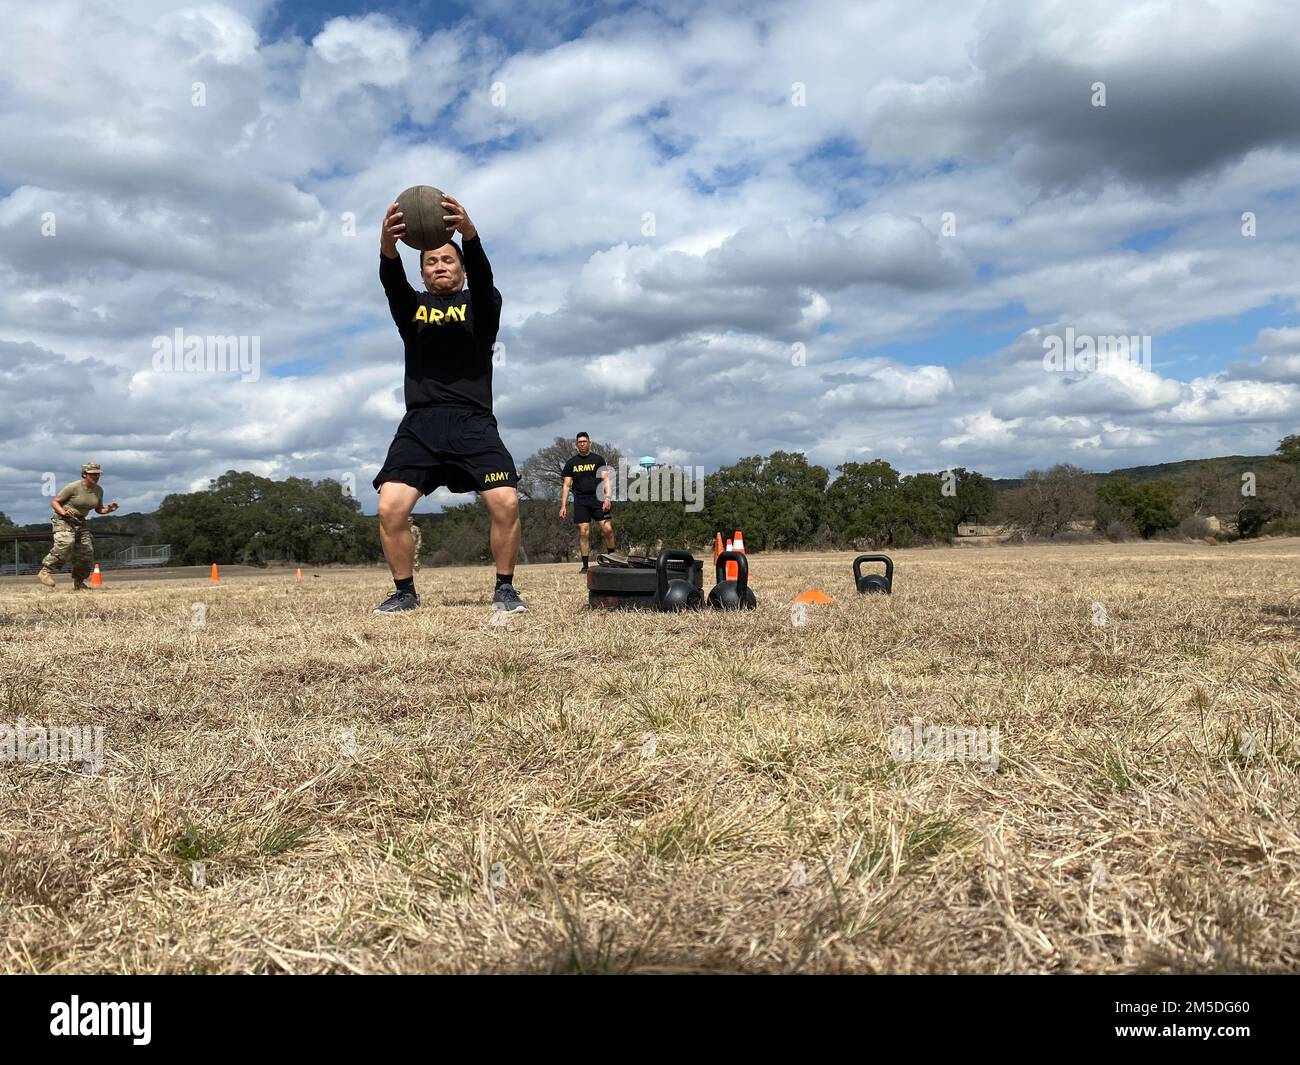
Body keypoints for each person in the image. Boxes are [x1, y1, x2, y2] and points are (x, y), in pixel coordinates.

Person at [370, 193, 526, 614]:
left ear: (460, 267)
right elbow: (390, 280)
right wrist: (387, 242)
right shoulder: (412, 309)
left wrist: (470, 234)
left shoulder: (482, 305)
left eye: (448, 260)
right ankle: (404, 592)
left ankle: (505, 590)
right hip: (420, 424)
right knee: (390, 507)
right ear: (422, 274)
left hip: (473, 422)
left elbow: (484, 274)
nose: (440, 266)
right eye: (431, 263)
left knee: (506, 502)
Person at [37, 462, 119, 591]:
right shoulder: (73, 487)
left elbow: (99, 509)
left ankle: (79, 582)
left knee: (87, 552)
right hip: (63, 519)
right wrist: (63, 512)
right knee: (66, 543)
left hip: (80, 522)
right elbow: (55, 501)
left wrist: (108, 510)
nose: (96, 476)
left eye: (98, 474)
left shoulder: (98, 490)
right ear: (85, 474)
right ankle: (45, 571)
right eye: (92, 474)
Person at [559, 432, 614, 573]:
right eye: (580, 442)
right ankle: (585, 566)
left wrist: (607, 497)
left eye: (585, 441)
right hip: (581, 500)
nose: (582, 443)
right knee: (584, 532)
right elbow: (566, 485)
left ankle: (613, 559)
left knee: (607, 529)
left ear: (589, 443)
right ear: (577, 444)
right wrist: (563, 505)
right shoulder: (571, 463)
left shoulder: (598, 459)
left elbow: (606, 480)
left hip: (598, 498)